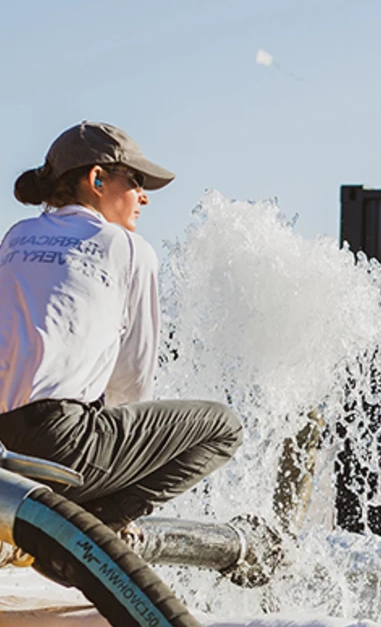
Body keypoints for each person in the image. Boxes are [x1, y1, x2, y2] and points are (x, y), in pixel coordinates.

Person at [0, 122, 241, 557]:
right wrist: (122, 469)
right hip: (64, 446)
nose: (144, 197)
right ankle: (100, 529)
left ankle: (68, 528)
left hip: (6, 450)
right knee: (224, 428)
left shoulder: (15, 238)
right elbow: (132, 379)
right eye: (136, 181)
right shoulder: (127, 248)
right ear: (97, 180)